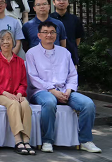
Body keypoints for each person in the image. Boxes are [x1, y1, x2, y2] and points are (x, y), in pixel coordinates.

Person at [26, 22, 101, 153]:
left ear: (56, 35)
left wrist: (68, 90)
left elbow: (72, 74)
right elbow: (33, 78)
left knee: (88, 104)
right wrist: (52, 91)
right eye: (45, 32)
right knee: (49, 102)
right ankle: (47, 140)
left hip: (64, 90)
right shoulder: (31, 53)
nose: (49, 35)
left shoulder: (64, 52)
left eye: (52, 32)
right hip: (41, 91)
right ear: (39, 35)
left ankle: (85, 140)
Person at [0, 29, 35, 155]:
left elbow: (23, 83)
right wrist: (5, 93)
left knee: (25, 104)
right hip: (0, 95)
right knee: (13, 104)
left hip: (16, 94)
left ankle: (26, 140)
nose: (6, 42)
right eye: (2, 39)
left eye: (8, 39)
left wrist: (19, 93)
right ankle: (18, 140)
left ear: (13, 42)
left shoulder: (20, 61)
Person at [50, 0, 84, 67]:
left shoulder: (74, 19)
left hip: (71, 58)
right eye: (58, 0)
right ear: (54, 2)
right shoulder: (49, 19)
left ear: (68, 2)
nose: (61, 2)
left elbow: (78, 38)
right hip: (52, 59)